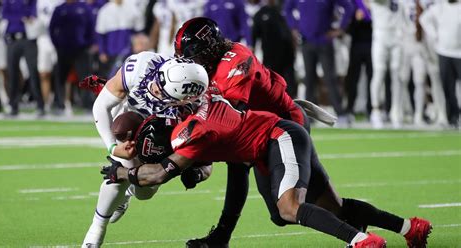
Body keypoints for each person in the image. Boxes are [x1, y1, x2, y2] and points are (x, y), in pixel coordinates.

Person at [100, 71, 432, 248]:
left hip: (278, 138)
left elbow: (159, 175)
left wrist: (122, 173)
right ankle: (409, 228)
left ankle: (361, 242)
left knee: (289, 208)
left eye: (164, 90)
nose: (158, 95)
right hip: (270, 144)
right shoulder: (206, 95)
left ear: (184, 95)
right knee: (325, 208)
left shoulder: (195, 127)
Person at [173, 17, 310, 247]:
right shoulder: (209, 67)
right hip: (262, 127)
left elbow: (225, 125)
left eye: (194, 54)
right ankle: (221, 237)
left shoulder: (235, 62)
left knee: (293, 206)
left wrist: (195, 162)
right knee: (280, 216)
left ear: (210, 48)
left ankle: (353, 229)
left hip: (286, 127)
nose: (190, 61)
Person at [81, 55, 212, 247]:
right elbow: (101, 105)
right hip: (129, 118)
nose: (154, 88)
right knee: (121, 170)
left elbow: (208, 159)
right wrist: (113, 147)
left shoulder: (197, 111)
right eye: (159, 81)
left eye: (161, 92)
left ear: (184, 100)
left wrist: (198, 173)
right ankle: (96, 229)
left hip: (165, 135)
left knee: (144, 192)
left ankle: (126, 195)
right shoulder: (142, 65)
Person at [283, 0, 354, 123]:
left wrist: (341, 28)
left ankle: (340, 113)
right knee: (309, 79)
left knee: (330, 78)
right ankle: (309, 116)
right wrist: (294, 27)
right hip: (306, 42)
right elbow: (287, 9)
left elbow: (348, 6)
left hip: (324, 41)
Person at [420, 0, 461, 128]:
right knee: (447, 87)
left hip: (459, 53)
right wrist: (435, 35)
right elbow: (423, 19)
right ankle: (453, 117)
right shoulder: (440, 7)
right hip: (443, 51)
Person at [49, 0, 95, 114]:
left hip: (81, 50)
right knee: (60, 77)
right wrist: (57, 44)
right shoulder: (60, 8)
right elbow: (52, 28)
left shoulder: (84, 7)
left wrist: (87, 43)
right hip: (63, 49)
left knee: (85, 78)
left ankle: (88, 105)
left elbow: (91, 26)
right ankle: (59, 105)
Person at [2, 0, 45, 117]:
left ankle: (40, 105)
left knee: (33, 72)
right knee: (12, 74)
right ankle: (13, 106)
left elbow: (33, 14)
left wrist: (19, 16)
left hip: (28, 39)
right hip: (12, 40)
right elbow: (4, 14)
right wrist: (22, 16)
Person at [366, 0, 403, 129]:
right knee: (379, 73)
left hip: (397, 35)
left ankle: (396, 111)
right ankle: (376, 110)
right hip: (380, 35)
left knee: (397, 75)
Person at [252, 0, 298, 98]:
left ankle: (293, 105)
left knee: (290, 82)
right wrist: (252, 48)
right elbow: (254, 35)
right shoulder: (260, 14)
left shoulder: (285, 10)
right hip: (269, 56)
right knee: (272, 83)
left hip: (287, 55)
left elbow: (293, 30)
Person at [95, 0, 144, 78]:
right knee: (111, 77)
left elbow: (138, 32)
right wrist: (102, 52)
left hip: (129, 53)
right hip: (111, 52)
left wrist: (138, 46)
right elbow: (101, 34)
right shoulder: (104, 10)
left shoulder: (132, 9)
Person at [344, 0, 373, 120]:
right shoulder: (354, 4)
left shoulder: (377, 4)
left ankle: (371, 109)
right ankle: (350, 109)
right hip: (356, 46)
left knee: (372, 79)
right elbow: (348, 29)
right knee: (352, 79)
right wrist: (356, 20)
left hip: (372, 46)